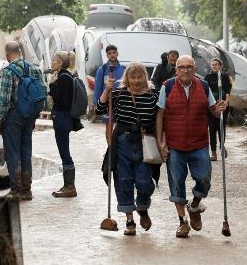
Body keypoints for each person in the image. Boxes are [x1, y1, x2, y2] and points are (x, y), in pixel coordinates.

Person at [156, 55, 227, 238]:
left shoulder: (203, 86)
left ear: (194, 69)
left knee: (204, 179)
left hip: (199, 143)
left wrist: (219, 109)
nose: (185, 70)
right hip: (175, 144)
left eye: (189, 67)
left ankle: (194, 206)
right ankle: (182, 222)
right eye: (181, 67)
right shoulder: (168, 86)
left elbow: (214, 111)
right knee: (177, 185)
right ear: (176, 70)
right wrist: (160, 142)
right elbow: (160, 115)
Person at [97, 61, 159, 236]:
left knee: (144, 182)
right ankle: (129, 220)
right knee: (123, 181)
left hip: (145, 141)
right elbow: (100, 109)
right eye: (133, 77)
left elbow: (163, 117)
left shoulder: (154, 95)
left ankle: (143, 207)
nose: (137, 80)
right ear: (127, 79)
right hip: (122, 141)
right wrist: (107, 90)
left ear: (145, 78)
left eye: (140, 77)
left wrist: (163, 141)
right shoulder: (119, 93)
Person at [0, 40, 46, 200]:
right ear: (20, 52)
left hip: (14, 116)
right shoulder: (34, 69)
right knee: (26, 151)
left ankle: (15, 190)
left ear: (8, 54)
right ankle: (27, 190)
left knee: (12, 153)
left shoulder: (8, 72)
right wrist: (34, 114)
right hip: (29, 116)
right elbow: (43, 92)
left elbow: (4, 99)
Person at [49, 51, 81, 198]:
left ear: (60, 63)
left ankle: (70, 186)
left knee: (64, 153)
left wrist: (51, 85)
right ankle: (67, 185)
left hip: (62, 117)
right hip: (65, 118)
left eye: (54, 60)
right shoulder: (68, 76)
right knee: (64, 152)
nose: (52, 63)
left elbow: (60, 100)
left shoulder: (62, 78)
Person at [204, 57, 232, 161]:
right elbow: (206, 92)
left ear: (220, 66)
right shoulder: (207, 77)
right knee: (212, 129)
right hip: (211, 107)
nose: (214, 66)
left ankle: (222, 146)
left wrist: (226, 103)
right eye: (213, 64)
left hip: (223, 106)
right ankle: (214, 153)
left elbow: (228, 91)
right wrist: (211, 105)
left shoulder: (224, 77)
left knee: (222, 128)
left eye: (216, 64)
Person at [92, 44, 125, 123]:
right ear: (107, 55)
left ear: (117, 54)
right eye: (109, 53)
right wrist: (96, 103)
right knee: (108, 125)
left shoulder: (123, 69)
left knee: (118, 126)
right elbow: (98, 86)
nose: (112, 55)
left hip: (119, 102)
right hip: (106, 101)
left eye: (114, 52)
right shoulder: (102, 69)